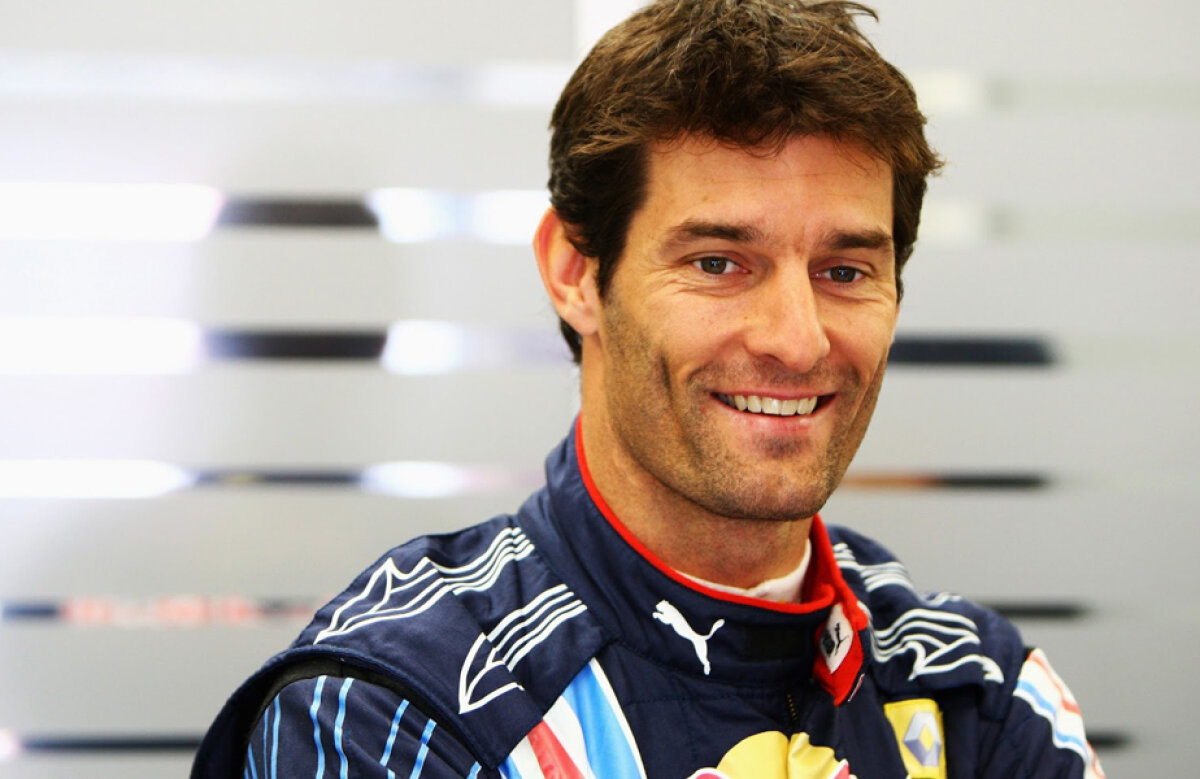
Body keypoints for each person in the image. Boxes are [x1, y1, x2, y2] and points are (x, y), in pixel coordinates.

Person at [194, 1, 1104, 776]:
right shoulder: (393, 708)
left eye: (845, 271)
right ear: (575, 272)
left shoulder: (975, 696)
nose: (797, 339)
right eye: (718, 262)